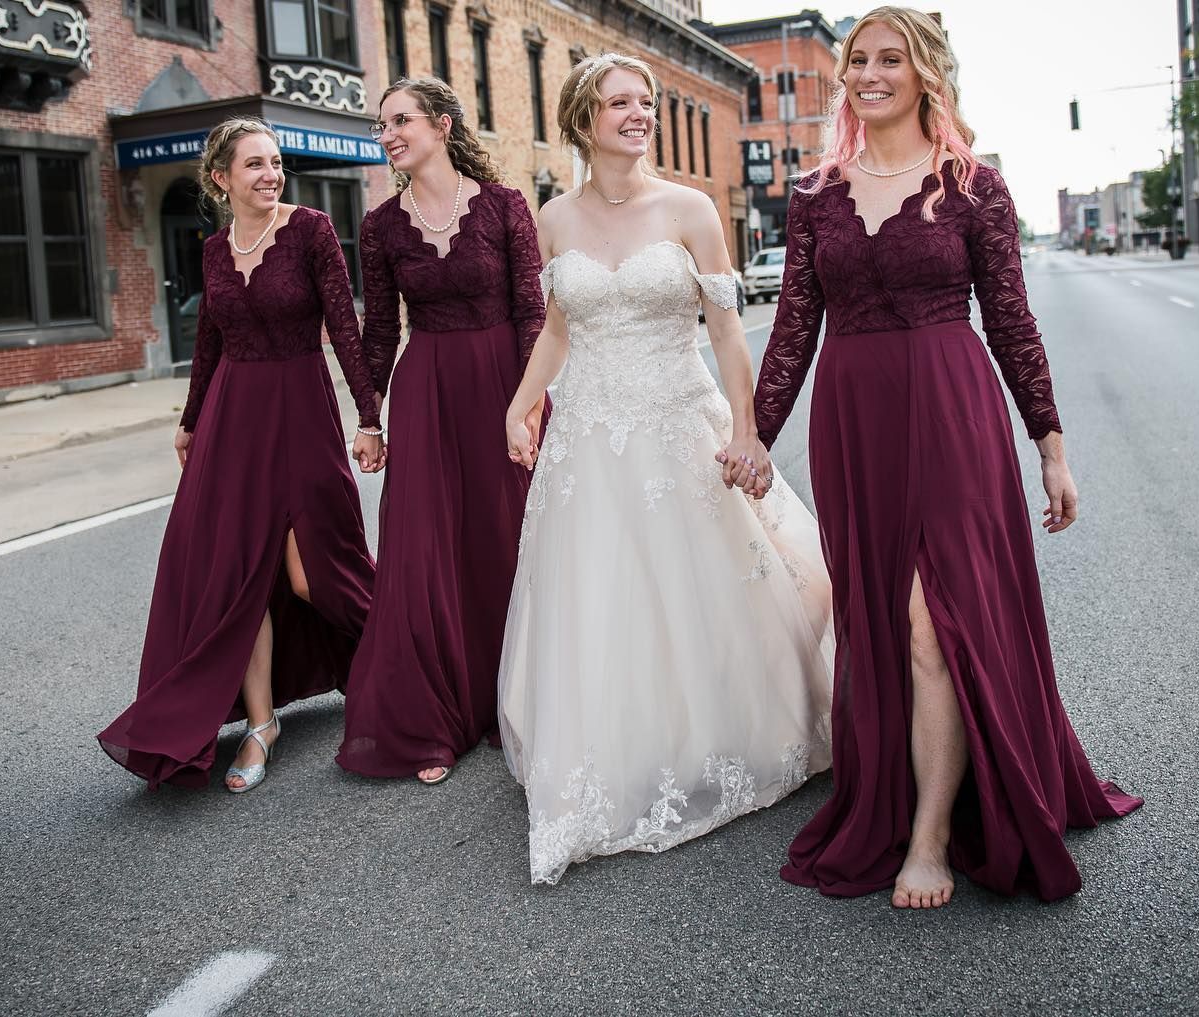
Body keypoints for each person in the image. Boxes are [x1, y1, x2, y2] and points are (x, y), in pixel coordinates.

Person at [754, 6, 1141, 907]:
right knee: (881, 619)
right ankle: (905, 788)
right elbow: (791, 333)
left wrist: (1051, 445)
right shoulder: (815, 195)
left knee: (938, 621)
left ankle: (928, 835)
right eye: (859, 60)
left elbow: (1010, 320)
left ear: (927, 71)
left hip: (954, 416)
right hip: (856, 422)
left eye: (891, 59)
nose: (871, 73)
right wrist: (754, 436)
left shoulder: (975, 188)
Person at [496, 54, 835, 885]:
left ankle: (717, 735)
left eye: (645, 101)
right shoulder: (554, 219)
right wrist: (522, 402)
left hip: (682, 423)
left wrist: (749, 430)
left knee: (704, 591)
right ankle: (610, 753)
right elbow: (558, 329)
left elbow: (726, 332)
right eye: (620, 103)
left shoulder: (690, 209)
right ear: (585, 120)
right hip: (590, 437)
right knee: (602, 599)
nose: (639, 113)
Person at [98, 117, 385, 793]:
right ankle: (261, 725)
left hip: (302, 412)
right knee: (242, 578)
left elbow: (345, 326)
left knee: (317, 571)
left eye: (275, 161)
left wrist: (371, 414)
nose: (270, 173)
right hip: (233, 421)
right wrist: (190, 420)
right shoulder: (215, 249)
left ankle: (401, 668)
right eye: (253, 164)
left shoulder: (312, 230)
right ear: (221, 178)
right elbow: (209, 343)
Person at [335, 78, 547, 785]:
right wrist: (369, 414)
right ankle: (430, 718)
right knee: (423, 549)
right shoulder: (381, 226)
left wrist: (529, 402)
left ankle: (512, 697)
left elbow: (531, 311)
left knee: (502, 534)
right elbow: (382, 329)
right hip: (425, 392)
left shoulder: (504, 206)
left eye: (401, 120)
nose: (388, 133)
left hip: (500, 386)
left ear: (443, 124)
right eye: (381, 125)